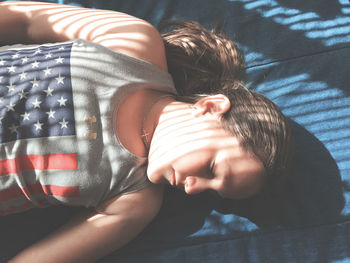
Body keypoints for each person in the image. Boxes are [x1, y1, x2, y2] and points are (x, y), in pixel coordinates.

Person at [0, 1, 293, 262]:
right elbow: (26, 19)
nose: (192, 188)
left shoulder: (133, 203)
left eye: (210, 194)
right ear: (210, 107)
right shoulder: (134, 43)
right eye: (211, 169)